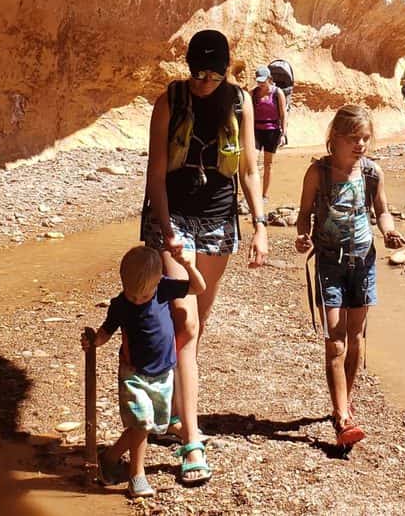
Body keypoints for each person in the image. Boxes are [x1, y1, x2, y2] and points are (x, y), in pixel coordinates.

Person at [141, 29, 268, 484]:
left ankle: (176, 412)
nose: (203, 81)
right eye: (197, 72)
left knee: (198, 324)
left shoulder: (240, 103)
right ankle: (191, 441)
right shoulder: (169, 101)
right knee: (184, 320)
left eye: (212, 74)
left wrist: (260, 226)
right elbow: (156, 173)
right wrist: (168, 230)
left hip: (218, 219)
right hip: (171, 218)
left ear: (226, 70)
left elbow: (250, 169)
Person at [294, 105, 405, 447]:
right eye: (353, 138)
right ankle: (342, 417)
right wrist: (303, 237)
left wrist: (389, 232)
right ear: (335, 139)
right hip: (329, 263)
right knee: (335, 338)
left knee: (356, 336)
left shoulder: (372, 173)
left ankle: (345, 402)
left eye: (366, 138)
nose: (361, 145)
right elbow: (303, 215)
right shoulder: (318, 173)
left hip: (363, 263)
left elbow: (382, 211)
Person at [82, 245, 207, 498]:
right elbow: (108, 330)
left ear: (157, 281)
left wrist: (189, 266)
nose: (137, 300)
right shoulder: (120, 304)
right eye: (132, 295)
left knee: (152, 425)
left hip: (163, 373)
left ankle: (110, 456)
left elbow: (198, 288)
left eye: (143, 296)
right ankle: (136, 476)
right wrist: (95, 341)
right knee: (141, 423)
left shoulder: (163, 289)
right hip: (134, 373)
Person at [251, 67, 288, 200]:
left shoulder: (278, 93)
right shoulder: (253, 93)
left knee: (268, 164)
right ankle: (253, 192)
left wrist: (283, 133)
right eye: (258, 81)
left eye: (263, 81)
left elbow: (283, 114)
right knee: (252, 162)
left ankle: (264, 194)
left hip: (272, 131)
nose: (260, 84)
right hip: (256, 130)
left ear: (269, 79)